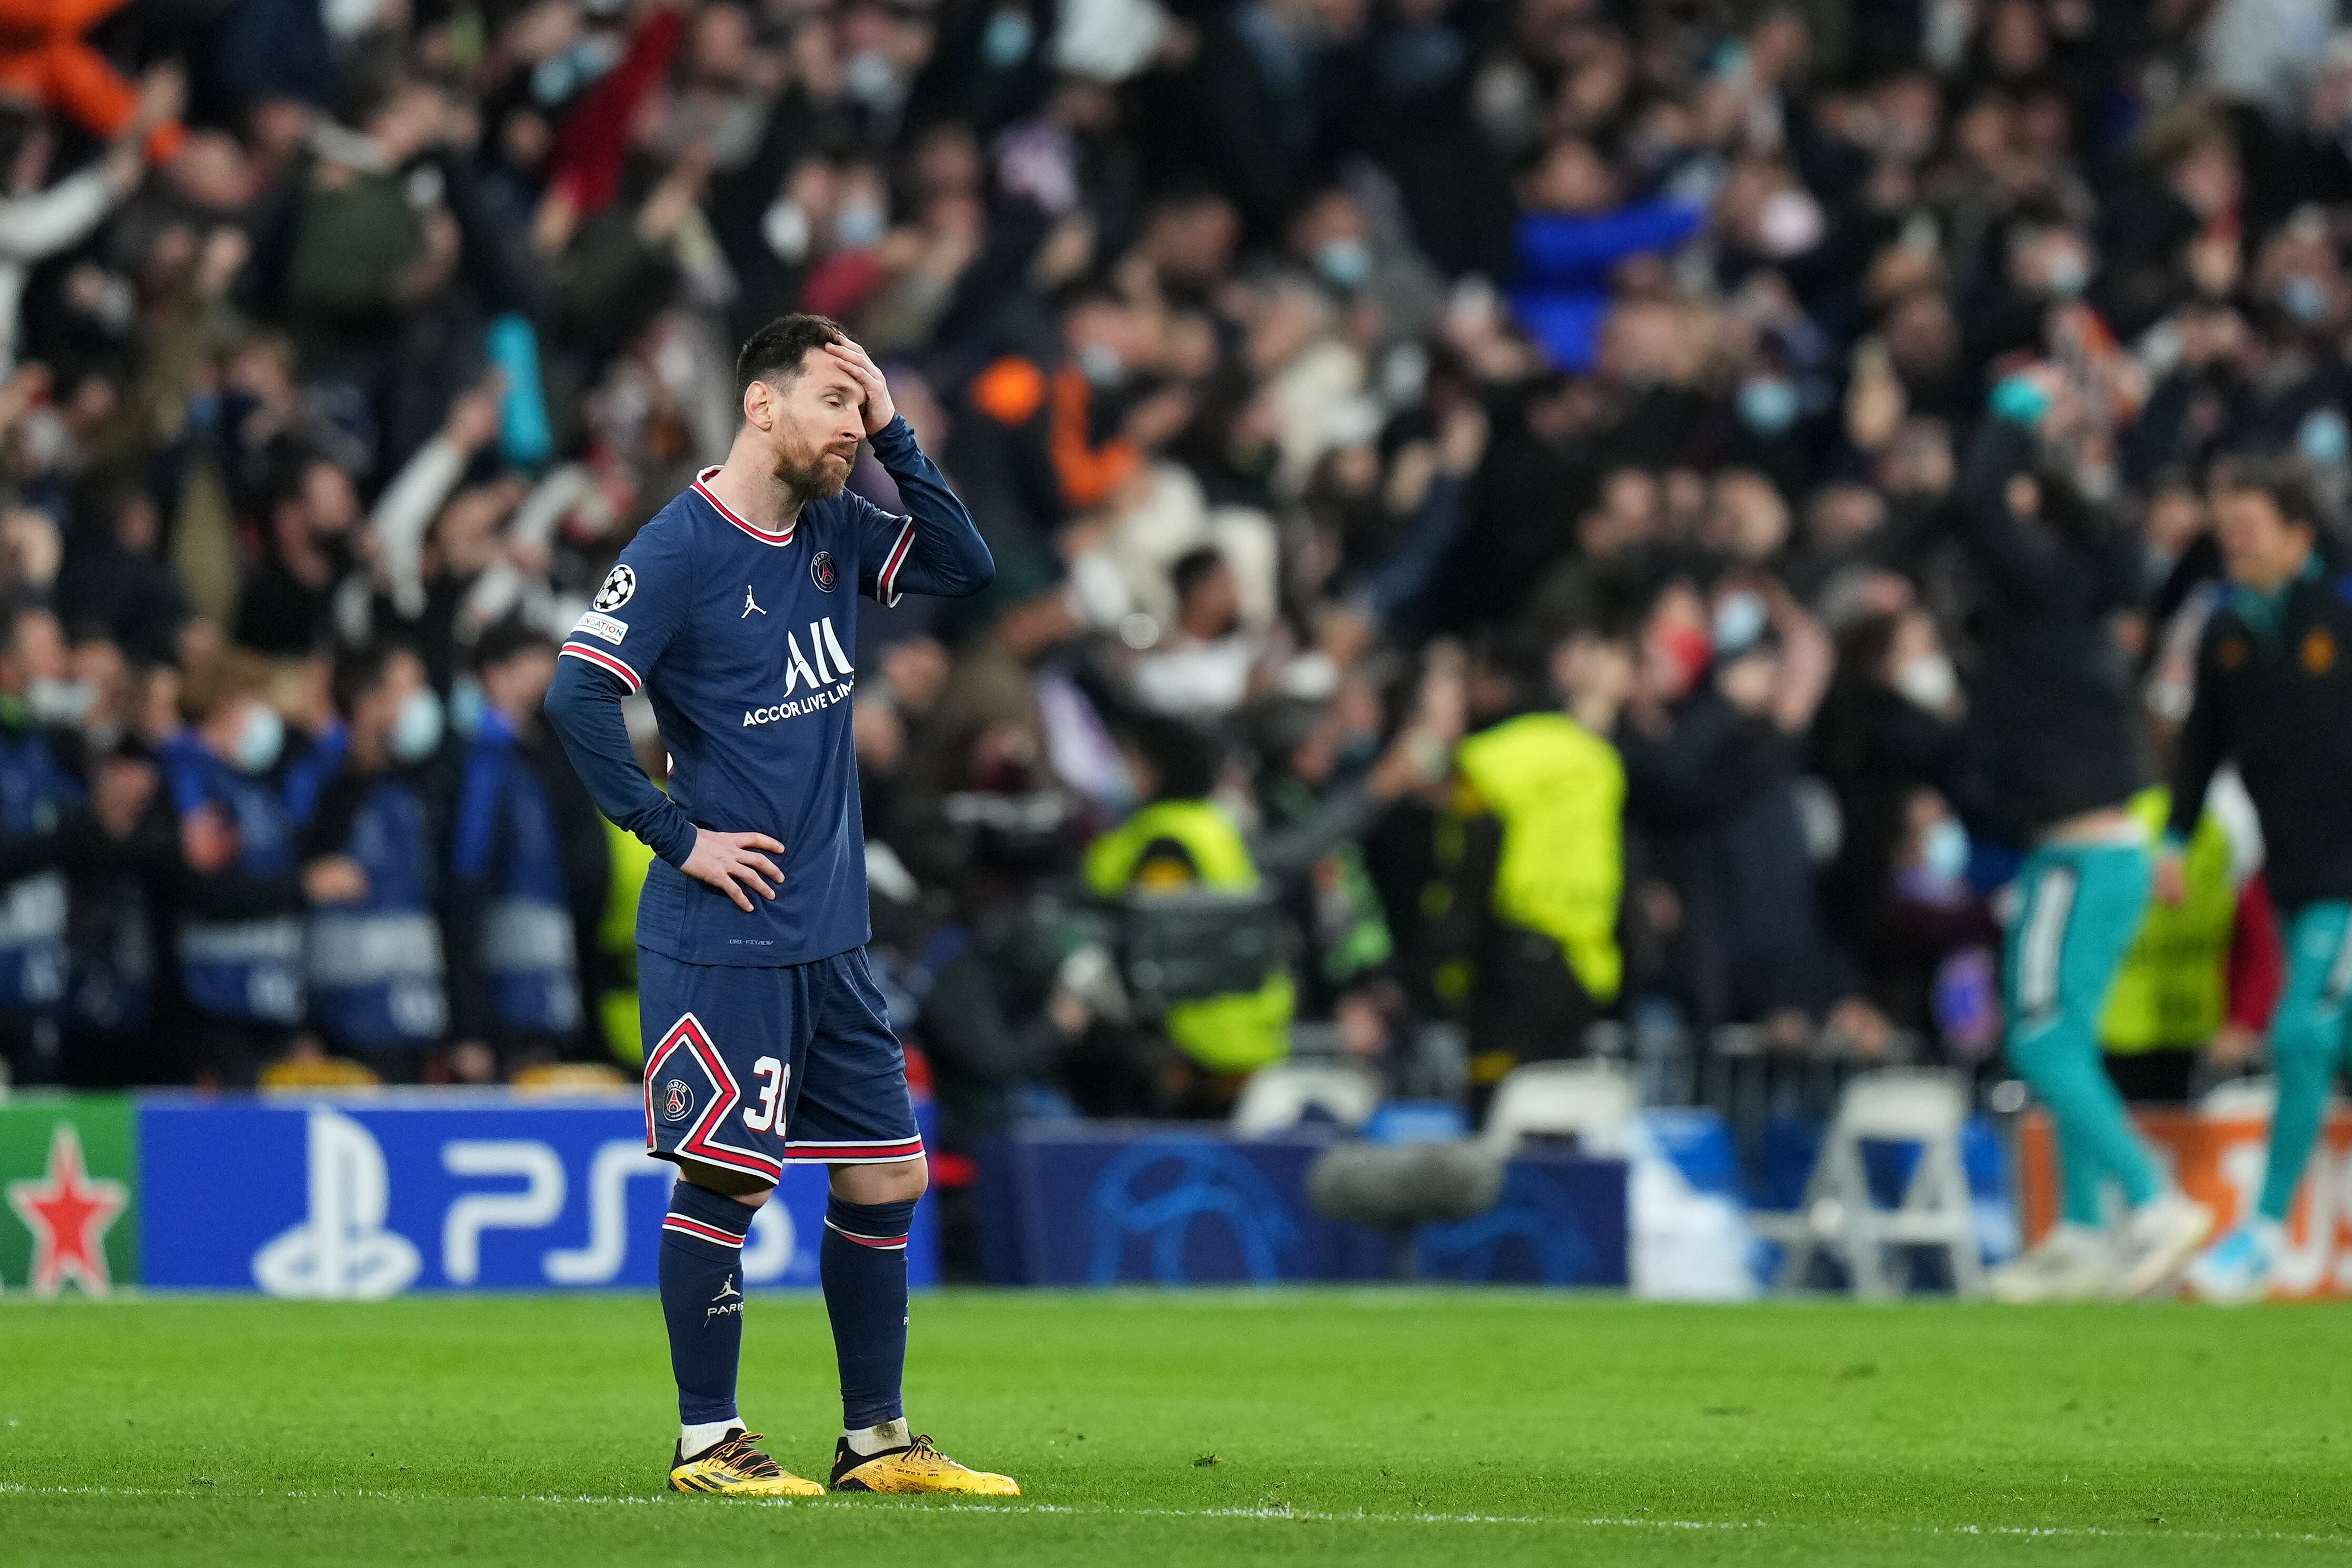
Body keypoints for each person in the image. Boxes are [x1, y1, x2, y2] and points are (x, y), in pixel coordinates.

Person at [543, 314, 1008, 1496]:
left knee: (887, 1174)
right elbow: (577, 695)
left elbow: (966, 567)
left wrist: (898, 430)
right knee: (731, 1179)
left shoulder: (834, 527)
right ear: (762, 406)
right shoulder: (680, 545)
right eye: (835, 403)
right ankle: (708, 1440)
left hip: (830, 932)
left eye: (862, 408)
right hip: (728, 931)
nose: (853, 427)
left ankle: (875, 1441)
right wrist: (675, 836)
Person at [1958, 381, 2215, 1304]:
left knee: (2038, 1042)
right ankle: (2076, 1231)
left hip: (2077, 858)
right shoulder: (2088, 603)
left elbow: (1976, 502)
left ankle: (2151, 1198)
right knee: (2066, 1041)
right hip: (2099, 855)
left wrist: (2012, 412)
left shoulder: (2045, 595)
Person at [2172, 465, 2352, 1302]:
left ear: (2297, 534)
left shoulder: (2340, 609)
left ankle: (2264, 1231)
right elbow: (2199, 744)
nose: (2233, 541)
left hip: (2344, 878)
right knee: (2323, 1039)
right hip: (2290, 875)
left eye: (2248, 525)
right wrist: (2174, 839)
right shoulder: (2226, 630)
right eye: (2225, 527)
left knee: (2299, 1032)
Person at [282, 641, 451, 1078]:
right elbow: (286, 896)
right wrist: (299, 1027)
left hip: (416, 1019)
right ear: (368, 703)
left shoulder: (420, 787)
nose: (422, 703)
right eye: (409, 689)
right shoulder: (317, 783)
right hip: (339, 1027)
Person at [444, 622, 604, 1083]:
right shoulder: (485, 762)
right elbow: (465, 885)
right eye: (534, 670)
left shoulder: (545, 758)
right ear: (496, 675)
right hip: (501, 1004)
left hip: (550, 989)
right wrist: (469, 1023)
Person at [158, 647, 320, 1086]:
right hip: (211, 1004)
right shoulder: (188, 781)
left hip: (269, 996)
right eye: (258, 702)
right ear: (224, 706)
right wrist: (302, 887)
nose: (269, 718)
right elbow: (206, 889)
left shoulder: (252, 787)